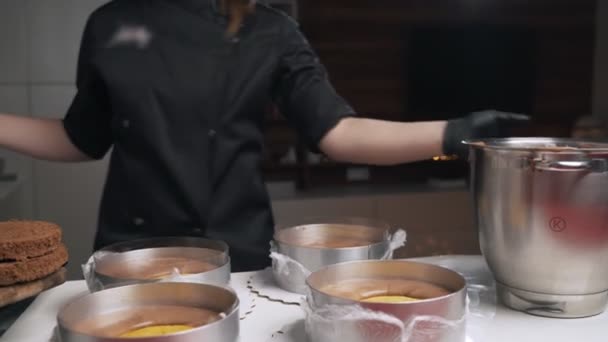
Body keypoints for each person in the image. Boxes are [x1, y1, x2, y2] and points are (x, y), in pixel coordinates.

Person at [0, 0, 529, 271]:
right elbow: (80, 138)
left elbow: (337, 132)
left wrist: (453, 133)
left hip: (239, 261)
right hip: (128, 260)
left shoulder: (270, 30)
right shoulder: (110, 22)